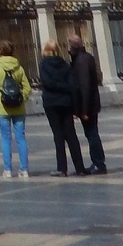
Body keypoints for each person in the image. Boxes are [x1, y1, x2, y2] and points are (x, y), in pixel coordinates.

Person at [36, 39, 87, 177]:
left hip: (51, 103)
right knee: (71, 136)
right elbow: (73, 87)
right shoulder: (65, 65)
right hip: (66, 102)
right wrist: (76, 107)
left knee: (58, 136)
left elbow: (47, 83)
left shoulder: (44, 65)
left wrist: (58, 87)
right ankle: (80, 168)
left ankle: (62, 168)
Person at [0, 40, 31, 180]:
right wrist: (21, 99)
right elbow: (27, 88)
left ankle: (7, 170)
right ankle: (24, 170)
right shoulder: (18, 67)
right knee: (21, 138)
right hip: (18, 108)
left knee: (5, 138)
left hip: (2, 108)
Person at [69, 30, 107, 174]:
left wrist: (83, 110)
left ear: (72, 47)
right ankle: (97, 162)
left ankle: (98, 163)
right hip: (91, 104)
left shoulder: (81, 61)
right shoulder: (85, 57)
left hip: (88, 106)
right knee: (92, 133)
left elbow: (84, 86)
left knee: (92, 134)